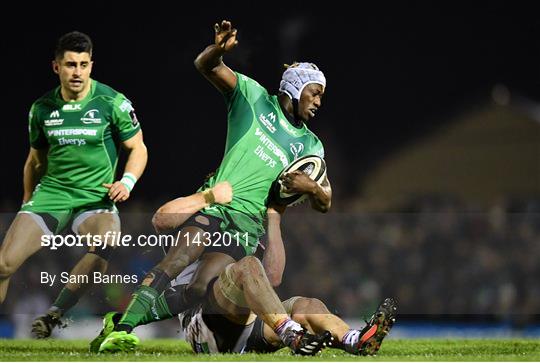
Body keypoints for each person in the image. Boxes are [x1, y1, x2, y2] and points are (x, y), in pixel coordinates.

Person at [98, 19, 332, 349]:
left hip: (247, 225)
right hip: (217, 205)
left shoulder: (311, 146)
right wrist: (218, 50)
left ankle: (118, 321)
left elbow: (325, 202)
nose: (319, 101)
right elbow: (206, 66)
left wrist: (312, 189)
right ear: (295, 88)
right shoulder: (252, 97)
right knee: (176, 260)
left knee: (199, 289)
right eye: (315, 92)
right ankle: (124, 328)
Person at [0, 31, 148, 338]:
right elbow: (34, 161)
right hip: (52, 195)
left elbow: (139, 148)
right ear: (57, 67)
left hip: (95, 198)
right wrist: (27, 202)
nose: (77, 71)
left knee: (107, 242)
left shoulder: (112, 102)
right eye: (70, 64)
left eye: (83, 64)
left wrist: (127, 181)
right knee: (3, 265)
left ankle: (54, 314)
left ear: (91, 65)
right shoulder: (41, 109)